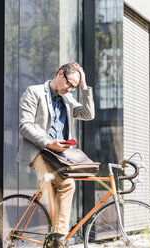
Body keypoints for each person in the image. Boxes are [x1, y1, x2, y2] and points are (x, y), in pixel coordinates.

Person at [18, 62, 95, 247]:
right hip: (39, 151)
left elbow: (88, 114)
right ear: (60, 74)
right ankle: (60, 238)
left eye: (74, 87)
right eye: (69, 84)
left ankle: (53, 239)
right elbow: (24, 125)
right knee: (67, 184)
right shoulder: (34, 92)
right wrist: (47, 142)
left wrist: (84, 86)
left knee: (54, 201)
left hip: (60, 156)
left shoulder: (67, 99)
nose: (69, 89)